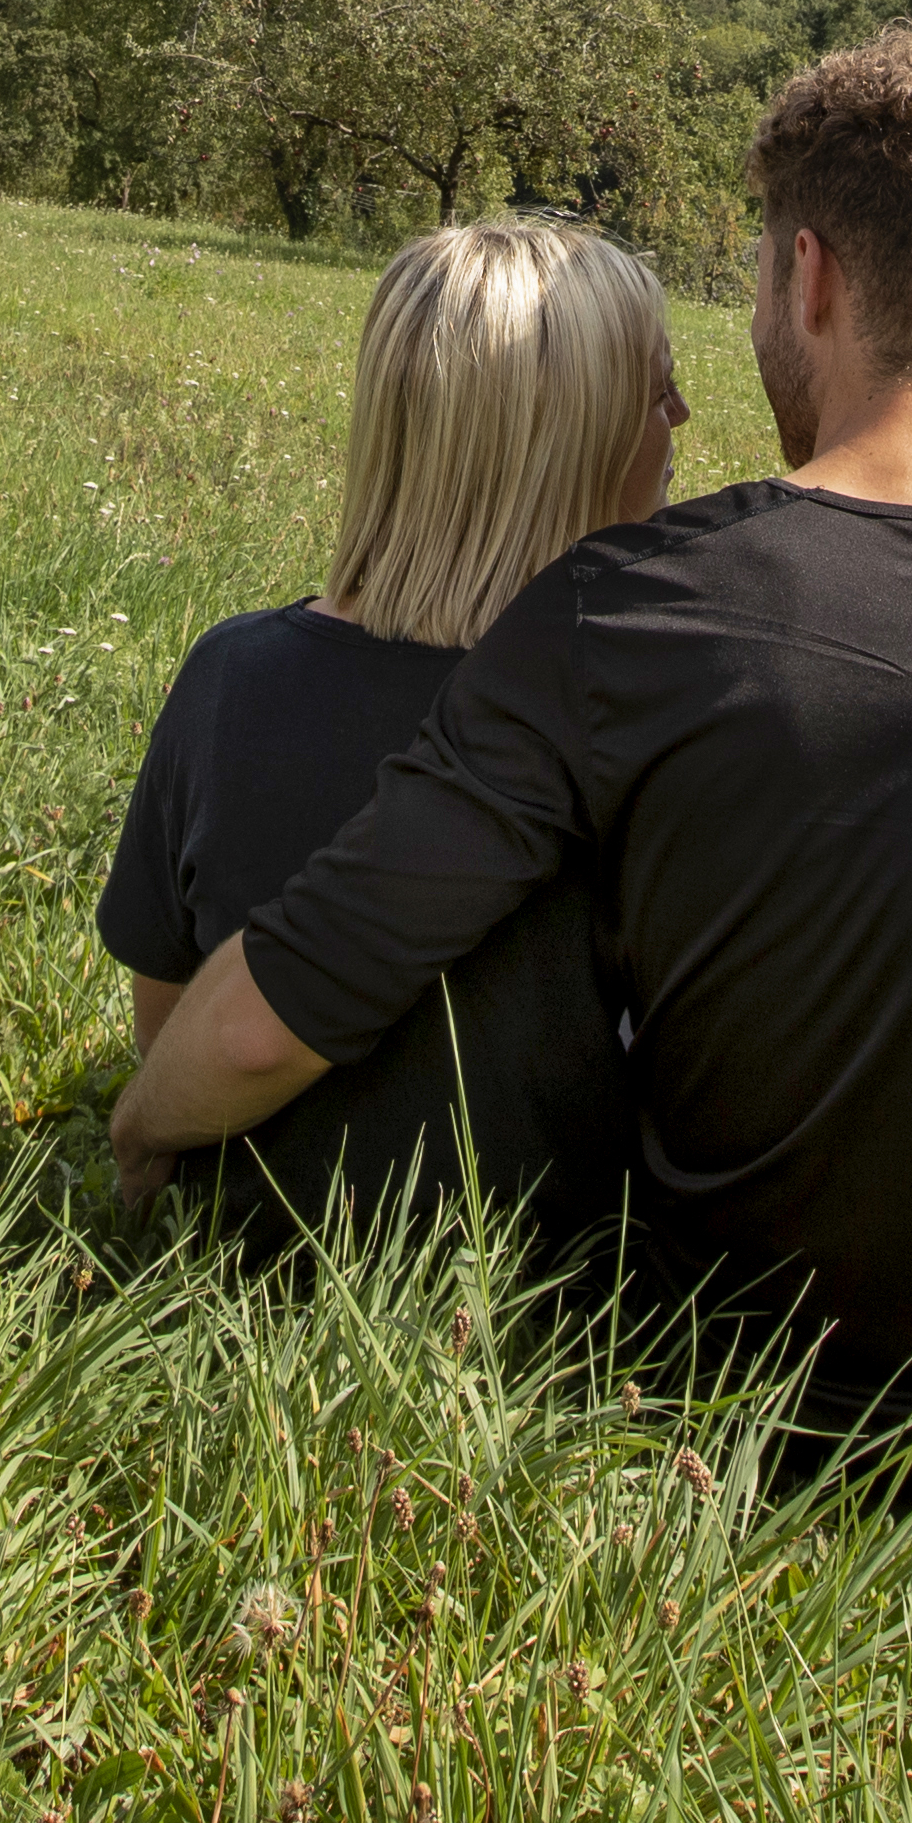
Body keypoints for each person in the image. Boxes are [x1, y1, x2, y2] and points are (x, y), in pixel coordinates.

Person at [111, 32, 912, 1567]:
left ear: (812, 280)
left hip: (717, 1439)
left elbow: (302, 983)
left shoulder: (628, 619)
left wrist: (140, 1134)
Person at [92, 216, 680, 1242]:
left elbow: (164, 1025)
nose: (681, 415)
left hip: (238, 1256)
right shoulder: (650, 716)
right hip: (566, 1310)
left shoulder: (231, 675)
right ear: (568, 440)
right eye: (654, 389)